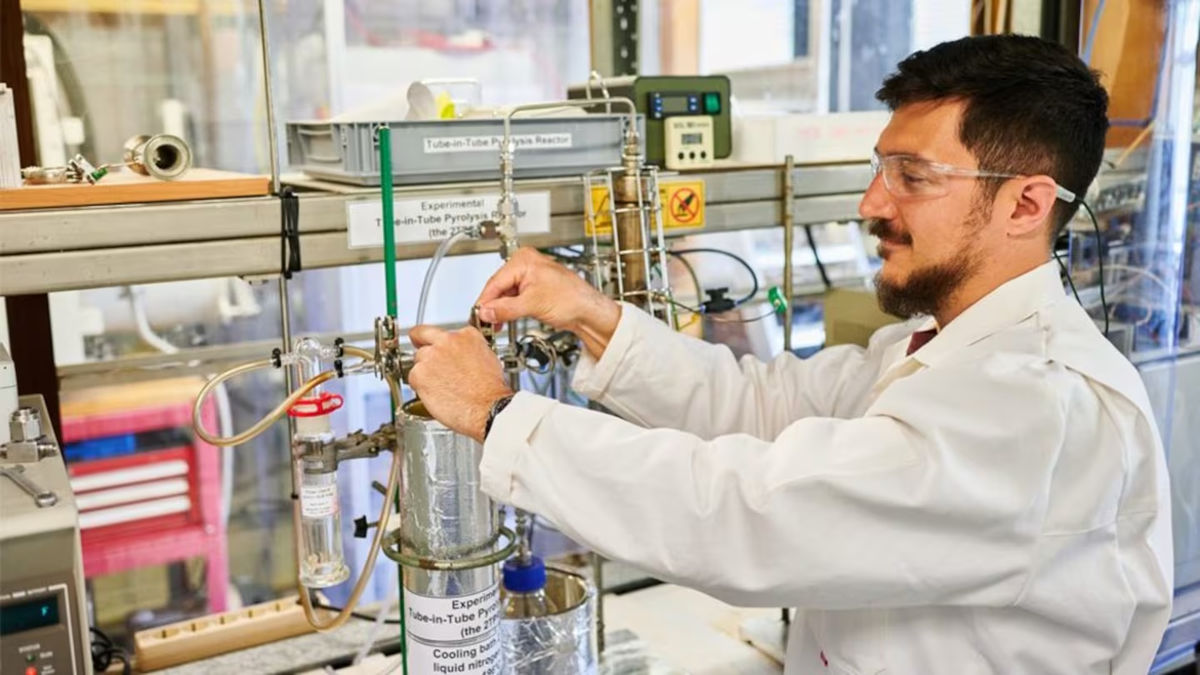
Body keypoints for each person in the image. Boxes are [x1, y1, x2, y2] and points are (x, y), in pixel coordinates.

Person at [406, 34, 1173, 674]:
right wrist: (592, 315)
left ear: (1026, 204)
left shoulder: (1038, 406)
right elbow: (760, 404)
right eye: (880, 168)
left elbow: (753, 511)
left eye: (912, 176)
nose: (872, 202)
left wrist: (498, 414)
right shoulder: (937, 346)